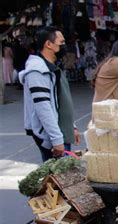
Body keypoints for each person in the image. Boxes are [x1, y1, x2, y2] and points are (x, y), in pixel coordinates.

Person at [19, 26, 80, 162]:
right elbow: (43, 107)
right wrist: (56, 139)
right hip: (53, 136)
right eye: (61, 42)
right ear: (48, 44)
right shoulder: (37, 71)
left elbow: (61, 101)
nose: (64, 46)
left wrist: (72, 126)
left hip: (62, 131)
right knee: (58, 178)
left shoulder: (53, 68)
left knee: (63, 178)